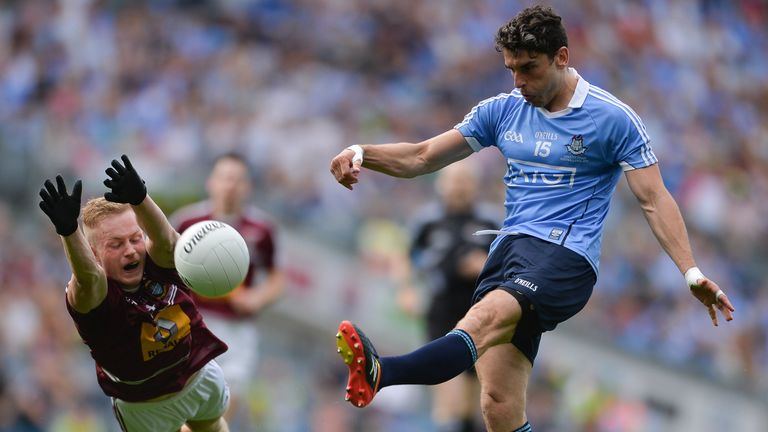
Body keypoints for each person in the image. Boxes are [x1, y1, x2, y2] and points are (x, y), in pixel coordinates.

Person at [329, 6, 735, 432]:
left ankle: (382, 372)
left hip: (565, 257)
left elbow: (654, 199)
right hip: (509, 252)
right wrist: (362, 152)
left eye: (529, 68)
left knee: (481, 321)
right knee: (498, 404)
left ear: (561, 57)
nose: (519, 81)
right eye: (511, 69)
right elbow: (421, 156)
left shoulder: (612, 119)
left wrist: (690, 272)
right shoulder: (502, 110)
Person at [38, 155, 230, 432]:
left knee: (212, 427)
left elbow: (168, 242)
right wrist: (69, 232)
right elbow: (89, 279)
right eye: (115, 244)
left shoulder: (156, 258)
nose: (130, 250)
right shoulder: (93, 292)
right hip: (145, 405)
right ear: (94, 254)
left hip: (196, 374)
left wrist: (141, 198)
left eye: (135, 238)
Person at [170, 152, 284, 425]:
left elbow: (278, 278)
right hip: (193, 322)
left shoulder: (262, 228)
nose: (230, 185)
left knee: (227, 404)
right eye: (224, 178)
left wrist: (257, 298)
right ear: (211, 182)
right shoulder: (186, 222)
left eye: (237, 179)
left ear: (248, 187)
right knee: (184, 401)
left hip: (238, 330)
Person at [397, 160, 498, 432]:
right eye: (454, 180)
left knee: (472, 397)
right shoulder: (428, 220)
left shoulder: (490, 221)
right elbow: (406, 257)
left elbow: (509, 263)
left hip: (478, 310)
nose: (459, 186)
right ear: (442, 184)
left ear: (475, 185)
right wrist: (407, 290)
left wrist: (484, 264)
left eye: (465, 180)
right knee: (444, 382)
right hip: (440, 307)